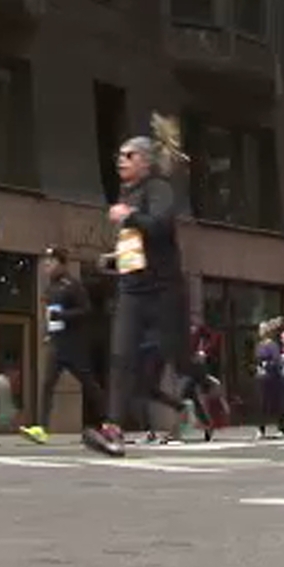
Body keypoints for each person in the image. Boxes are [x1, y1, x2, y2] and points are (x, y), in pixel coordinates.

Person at [85, 131, 189, 456]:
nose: (121, 160)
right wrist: (114, 258)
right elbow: (135, 243)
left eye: (128, 155)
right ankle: (113, 429)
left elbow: (159, 226)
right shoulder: (126, 194)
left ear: (144, 161)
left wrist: (127, 215)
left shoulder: (158, 189)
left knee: (177, 353)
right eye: (119, 155)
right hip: (132, 288)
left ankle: (202, 383)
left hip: (163, 288)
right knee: (122, 356)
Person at [18, 248, 107, 445]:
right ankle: (41, 428)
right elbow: (50, 314)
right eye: (45, 262)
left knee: (90, 384)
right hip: (57, 344)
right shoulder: (50, 287)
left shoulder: (73, 285)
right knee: (47, 384)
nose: (47, 266)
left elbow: (86, 310)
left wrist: (64, 316)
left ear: (61, 264)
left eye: (51, 262)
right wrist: (48, 333)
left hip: (74, 345)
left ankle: (109, 422)